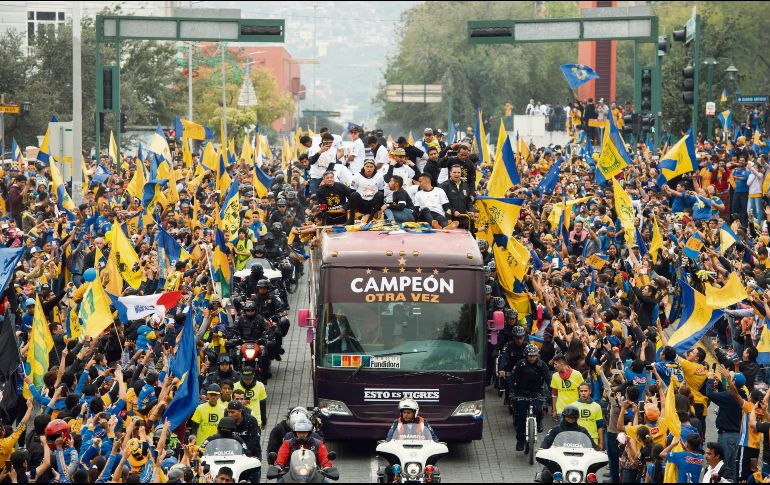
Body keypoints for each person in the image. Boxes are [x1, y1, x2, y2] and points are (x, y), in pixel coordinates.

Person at [510, 344, 549, 451]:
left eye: (534, 356)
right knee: (520, 418)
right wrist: (512, 393)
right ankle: (520, 441)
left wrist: (550, 392)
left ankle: (539, 422)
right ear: (526, 356)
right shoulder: (520, 364)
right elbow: (512, 379)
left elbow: (548, 379)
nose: (532, 358)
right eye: (530, 356)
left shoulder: (542, 365)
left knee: (538, 409)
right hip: (522, 392)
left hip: (537, 392)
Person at [573, 382, 605, 450]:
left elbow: (600, 426)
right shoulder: (573, 406)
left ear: (590, 391)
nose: (583, 393)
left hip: (593, 439)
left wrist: (601, 443)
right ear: (579, 392)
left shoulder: (597, 406)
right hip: (577, 439)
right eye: (581, 391)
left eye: (585, 391)